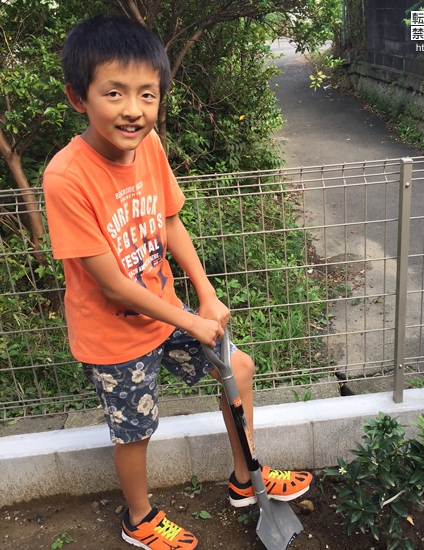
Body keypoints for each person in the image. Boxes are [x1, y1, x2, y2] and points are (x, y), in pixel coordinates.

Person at [43, 13, 312, 550]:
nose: (133, 109)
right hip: (113, 335)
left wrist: (206, 295)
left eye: (147, 94)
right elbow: (114, 286)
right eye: (114, 93)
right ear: (79, 98)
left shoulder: (149, 150)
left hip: (165, 311)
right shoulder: (66, 177)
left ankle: (245, 480)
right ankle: (138, 518)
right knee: (135, 430)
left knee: (237, 365)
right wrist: (190, 317)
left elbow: (169, 222)